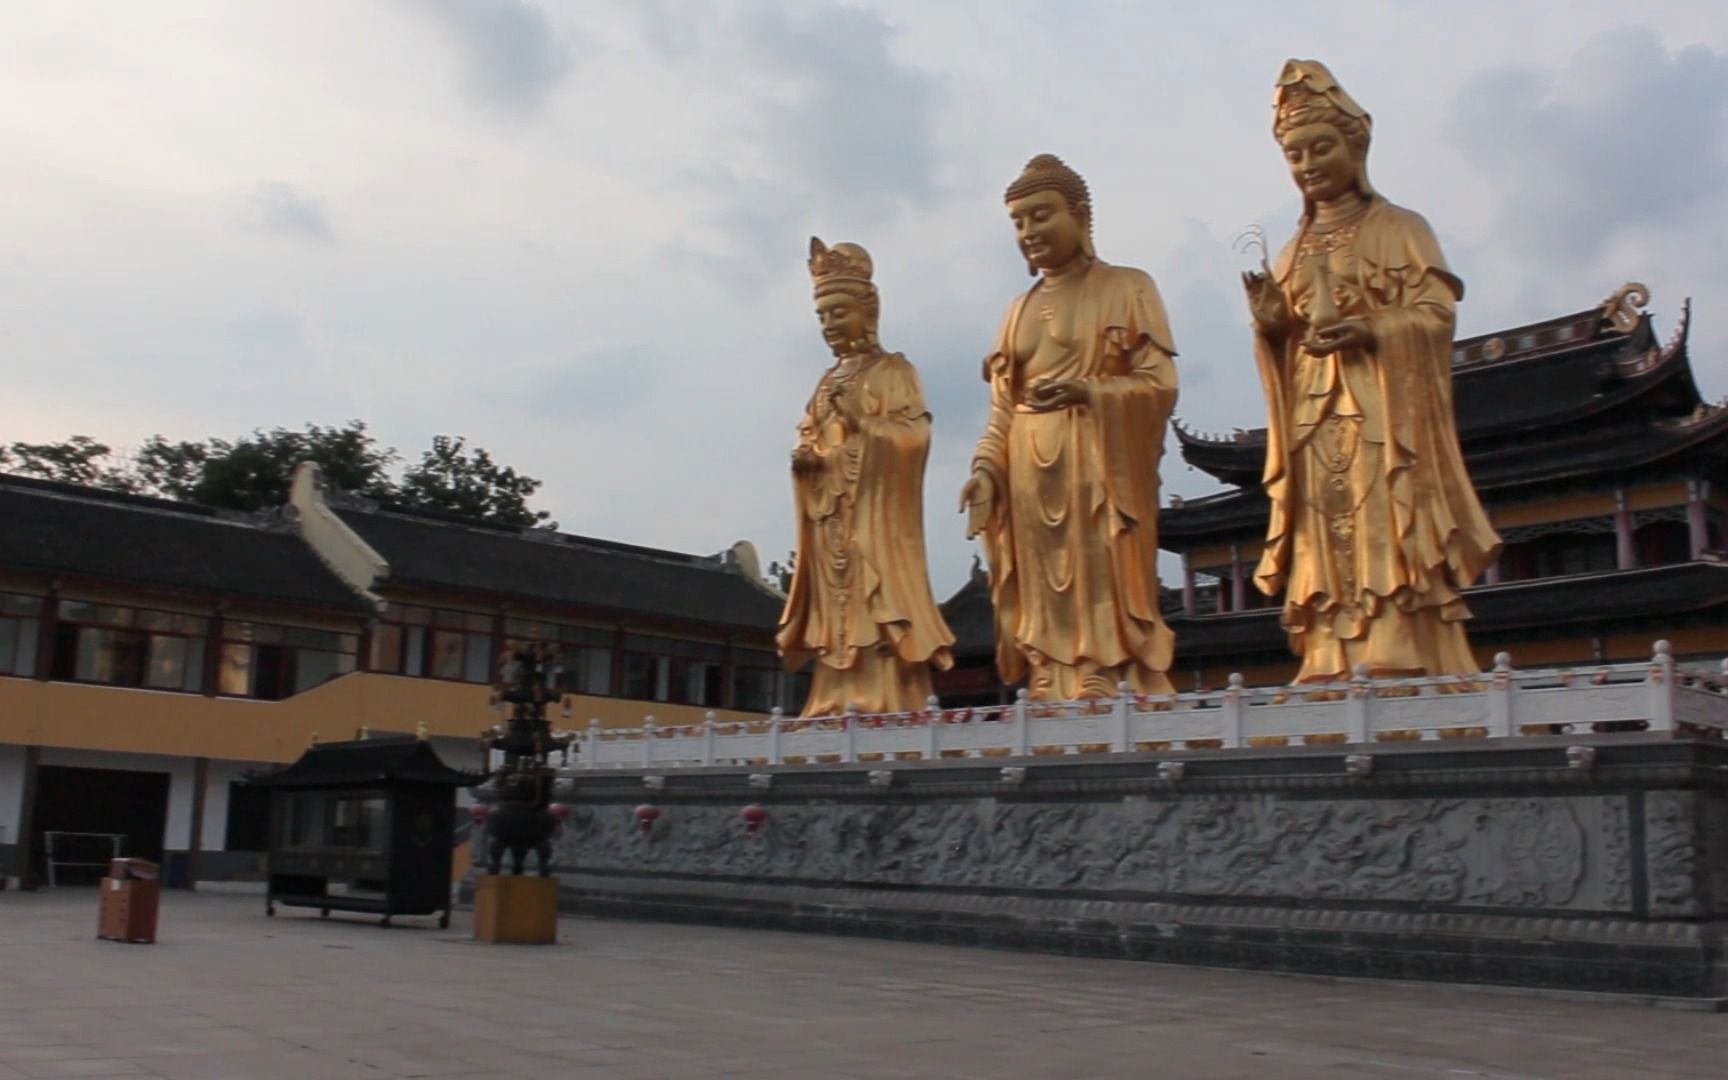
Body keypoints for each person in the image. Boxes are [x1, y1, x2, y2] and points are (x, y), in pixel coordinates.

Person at [1240, 60, 1501, 683]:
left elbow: (1435, 315)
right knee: (1323, 532)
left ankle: (1394, 643)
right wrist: (1273, 329)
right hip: (1312, 414)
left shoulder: (1402, 229)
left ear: (1355, 146)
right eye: (1295, 155)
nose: (1308, 164)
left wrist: (1372, 329)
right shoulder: (1290, 250)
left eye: (1320, 147)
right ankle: (1329, 652)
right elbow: (1286, 340)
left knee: (1385, 518)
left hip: (1384, 410)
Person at [961, 155, 1179, 701]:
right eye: (1017, 222)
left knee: (1096, 564)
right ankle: (1048, 673)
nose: (1029, 232)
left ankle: (1101, 670)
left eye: (1040, 216)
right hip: (1029, 464)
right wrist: (986, 469)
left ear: (1079, 215)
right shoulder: (1016, 312)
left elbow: (1159, 382)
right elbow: (1001, 409)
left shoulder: (1129, 287)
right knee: (1041, 583)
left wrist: (1091, 391)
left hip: (1098, 455)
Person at [776, 238, 955, 715]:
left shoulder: (895, 370)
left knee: (877, 607)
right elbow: (809, 435)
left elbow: (914, 435)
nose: (831, 326)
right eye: (822, 317)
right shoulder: (824, 382)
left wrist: (863, 425)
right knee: (835, 611)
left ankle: (886, 696)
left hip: (875, 517)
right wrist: (806, 462)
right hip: (831, 515)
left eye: (839, 312)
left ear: (868, 311)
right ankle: (832, 696)